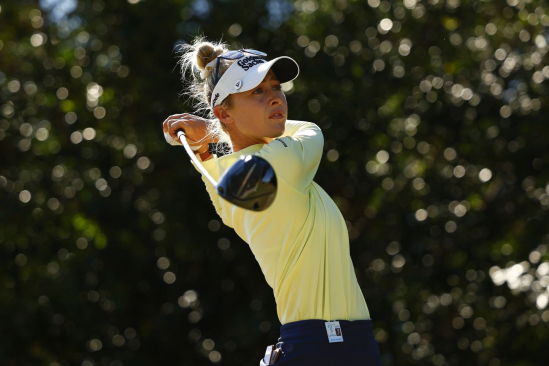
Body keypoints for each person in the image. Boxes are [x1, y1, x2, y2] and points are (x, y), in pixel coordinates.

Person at [162, 37, 382, 366]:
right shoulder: (280, 162)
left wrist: (211, 137)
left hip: (323, 345)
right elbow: (312, 130)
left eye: (276, 87)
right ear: (224, 112)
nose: (275, 98)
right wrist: (211, 129)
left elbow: (217, 171)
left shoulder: (231, 178)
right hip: (328, 347)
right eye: (257, 92)